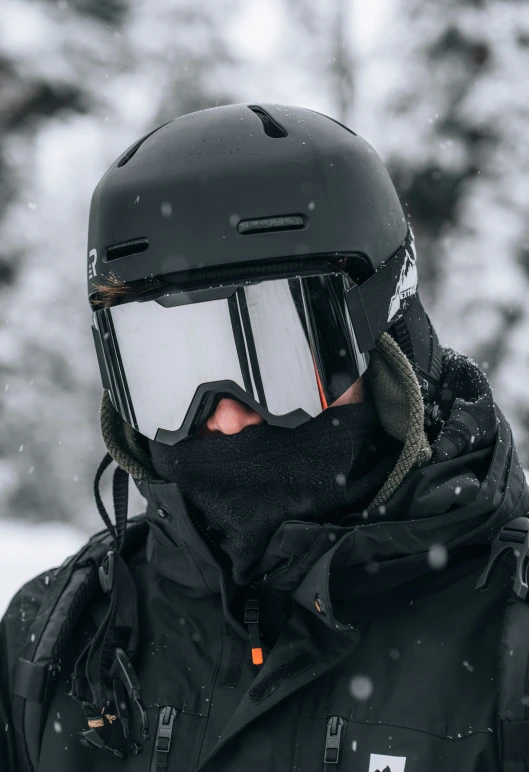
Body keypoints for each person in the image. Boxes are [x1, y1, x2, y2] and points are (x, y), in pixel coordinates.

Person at [1, 104, 528, 772]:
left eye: (273, 357)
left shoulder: (508, 651)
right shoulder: (60, 641)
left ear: (389, 340)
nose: (222, 418)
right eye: (169, 370)